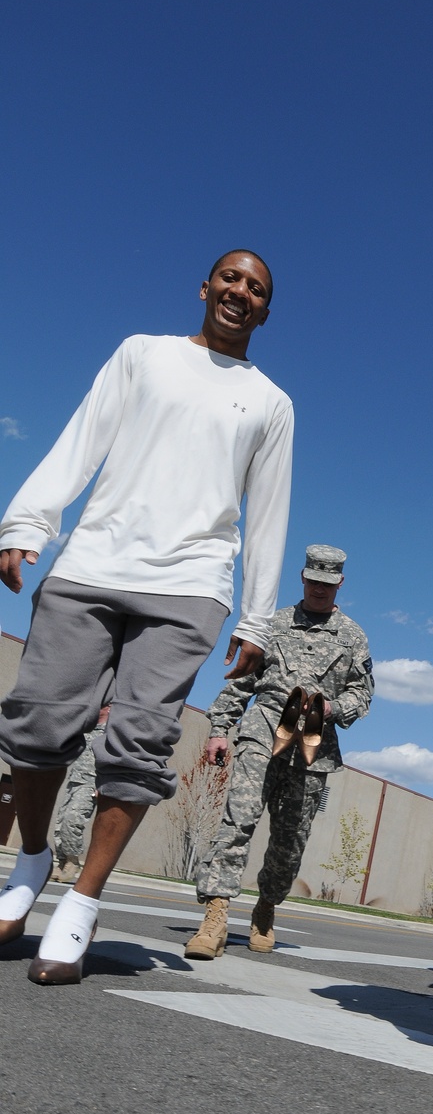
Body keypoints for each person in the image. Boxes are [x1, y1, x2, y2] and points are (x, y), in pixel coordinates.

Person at [0, 250, 293, 984]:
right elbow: (83, 436)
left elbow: (267, 518)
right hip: (91, 565)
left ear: (265, 311)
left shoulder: (271, 403)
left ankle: (82, 902)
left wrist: (256, 621)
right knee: (37, 724)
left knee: (138, 743)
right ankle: (32, 858)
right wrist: (27, 520)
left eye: (256, 289)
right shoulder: (144, 355)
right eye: (231, 278)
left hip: (191, 586)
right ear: (205, 287)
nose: (240, 292)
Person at [185, 544, 374, 959]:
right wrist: (220, 728)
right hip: (263, 729)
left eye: (328, 583)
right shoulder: (272, 625)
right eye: (313, 581)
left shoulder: (353, 636)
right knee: (239, 819)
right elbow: (241, 682)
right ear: (302, 578)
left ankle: (267, 906)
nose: (320, 589)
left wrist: (335, 707)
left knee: (291, 840)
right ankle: (214, 916)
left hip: (314, 745)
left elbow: (363, 693)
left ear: (339, 583)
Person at [51, 706, 111, 881]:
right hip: (74, 779)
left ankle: (72, 861)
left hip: (92, 782)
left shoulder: (110, 731)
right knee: (60, 823)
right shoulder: (87, 726)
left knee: (73, 820)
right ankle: (62, 862)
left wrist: (104, 784)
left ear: (108, 708)